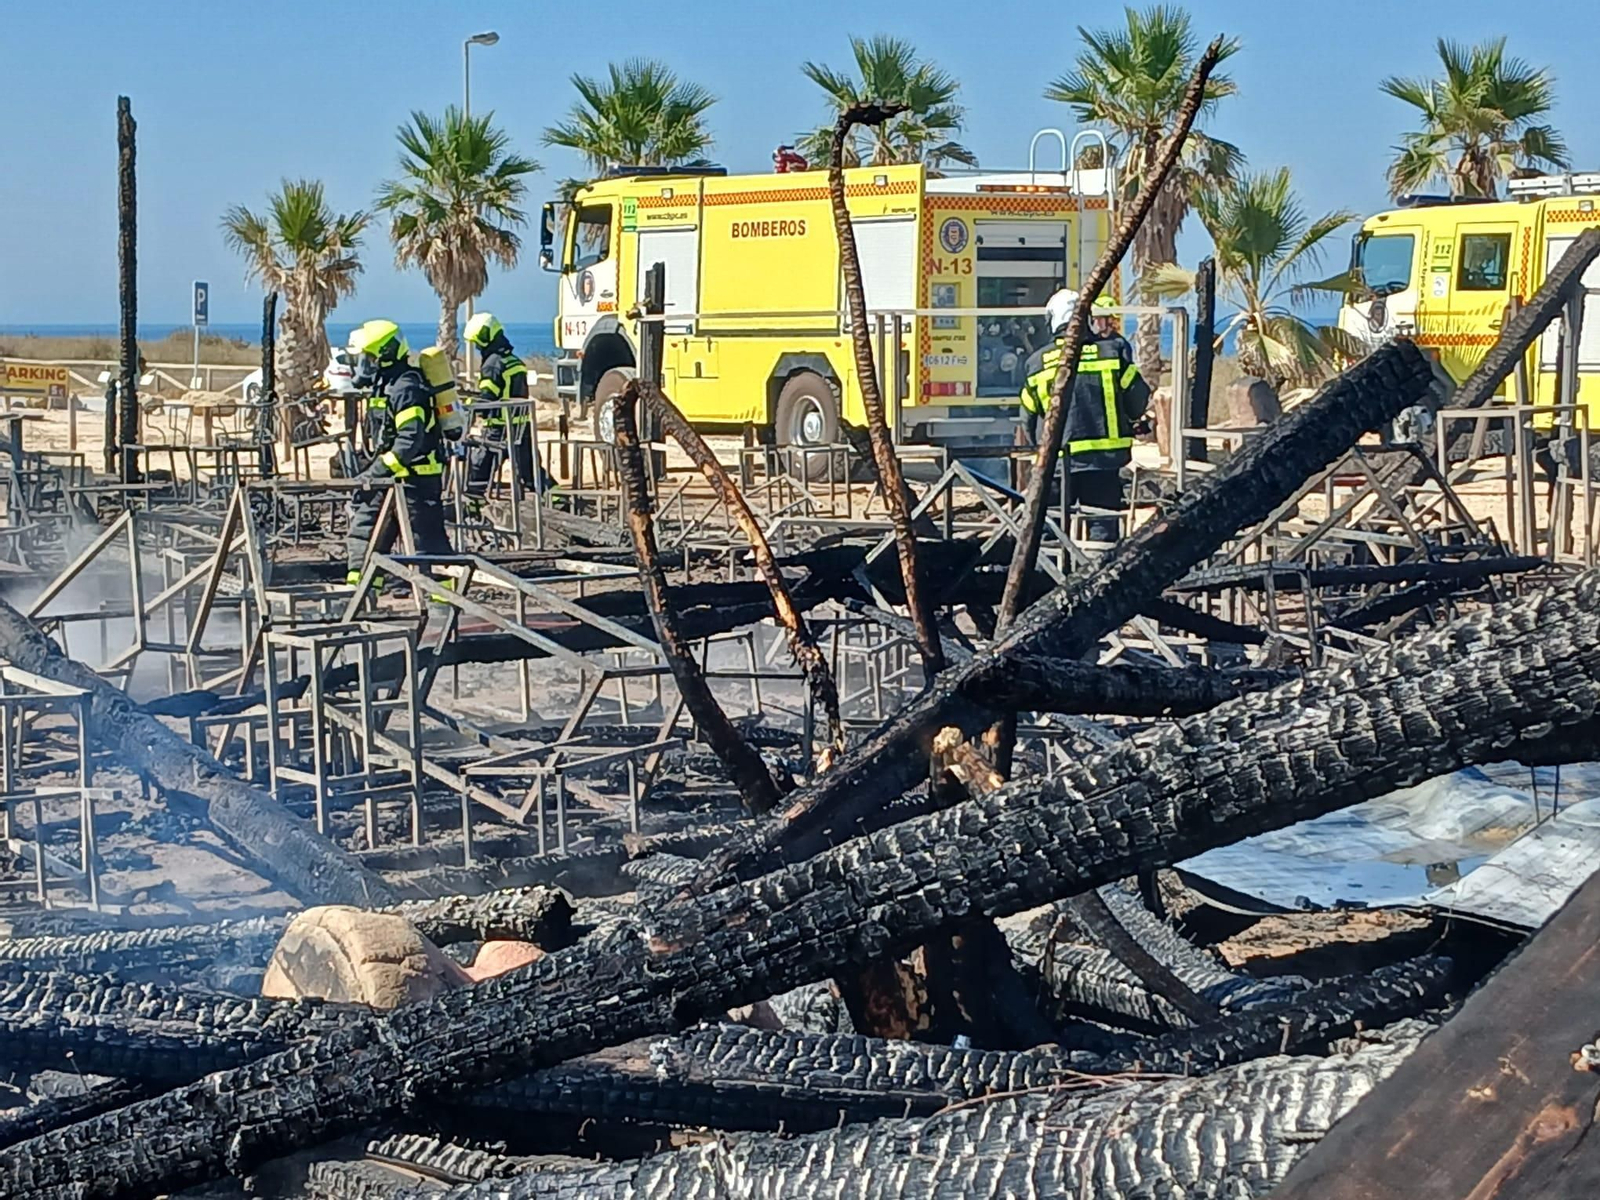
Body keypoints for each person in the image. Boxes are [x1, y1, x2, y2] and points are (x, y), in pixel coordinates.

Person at [1018, 290, 1150, 544]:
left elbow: (1028, 417)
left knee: (1050, 530)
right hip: (1104, 464)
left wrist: (1040, 448)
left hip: (1056, 465)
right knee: (1102, 530)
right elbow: (1137, 398)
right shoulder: (1112, 353)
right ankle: (1099, 569)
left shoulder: (1037, 364)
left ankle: (1049, 570)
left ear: (1052, 321)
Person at [344, 320, 451, 589]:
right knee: (364, 536)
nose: (362, 365)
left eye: (367, 358)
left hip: (416, 481)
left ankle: (444, 603)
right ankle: (359, 597)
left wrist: (374, 473)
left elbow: (409, 440)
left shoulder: (407, 388)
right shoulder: (386, 385)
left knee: (427, 547)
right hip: (391, 479)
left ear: (386, 354)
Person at [463, 312, 551, 500]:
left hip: (498, 429)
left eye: (477, 342)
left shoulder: (492, 365)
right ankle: (557, 498)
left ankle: (473, 505)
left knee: (478, 473)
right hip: (522, 428)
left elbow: (488, 399)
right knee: (532, 473)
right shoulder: (514, 361)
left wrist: (468, 404)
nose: (477, 347)